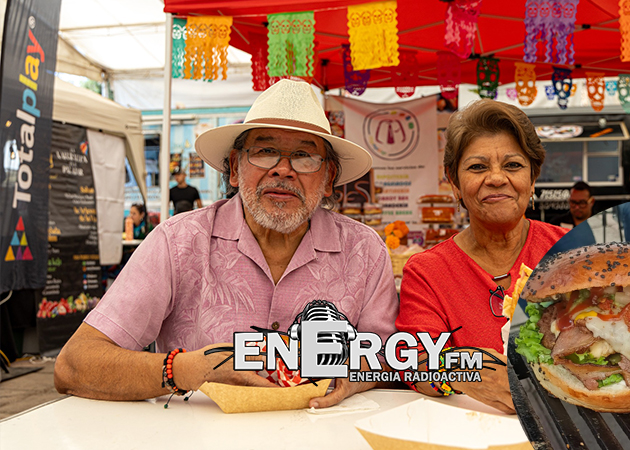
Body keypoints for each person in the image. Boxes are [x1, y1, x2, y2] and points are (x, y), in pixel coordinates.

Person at [54, 79, 399, 408]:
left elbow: (389, 356)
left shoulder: (364, 251)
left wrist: (353, 376)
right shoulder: (178, 242)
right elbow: (73, 365)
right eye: (265, 151)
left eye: (304, 157)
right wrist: (190, 370)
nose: (283, 170)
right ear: (234, 169)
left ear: (328, 181)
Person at [395, 99, 568, 413]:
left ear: (533, 178)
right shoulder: (427, 271)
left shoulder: (570, 250)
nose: (496, 178)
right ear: (455, 182)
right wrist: (465, 371)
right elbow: (413, 362)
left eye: (513, 165)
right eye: (477, 167)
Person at [545, 181, 597, 256]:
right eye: (573, 202)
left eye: (582, 203)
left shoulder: (600, 223)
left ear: (591, 202)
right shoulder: (556, 224)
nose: (577, 207)